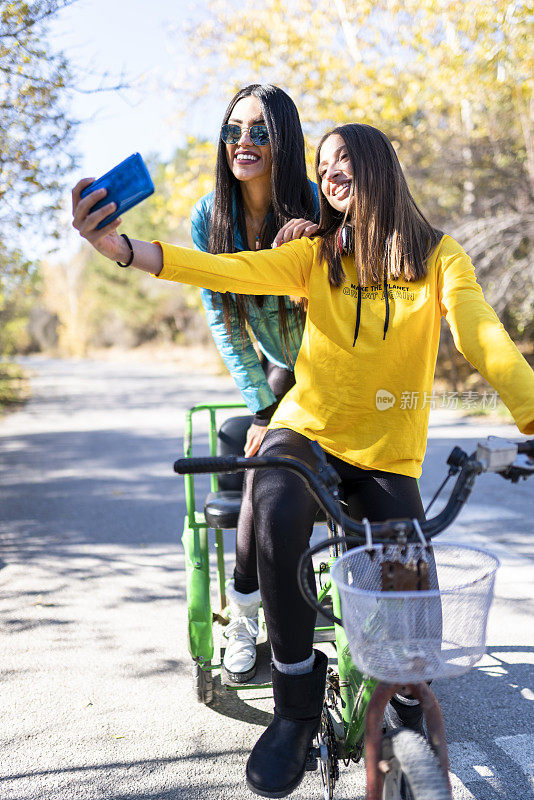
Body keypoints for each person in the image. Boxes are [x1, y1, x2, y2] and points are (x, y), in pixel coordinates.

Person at [72, 122, 534, 798]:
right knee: (274, 494)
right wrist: (123, 250)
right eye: (322, 165)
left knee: (414, 583)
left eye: (343, 158)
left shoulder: (440, 257)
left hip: (387, 456)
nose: (330, 172)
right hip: (308, 428)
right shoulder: (316, 255)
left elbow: (481, 333)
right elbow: (225, 269)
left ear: (379, 164)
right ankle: (293, 703)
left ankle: (405, 705)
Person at [190, 84, 319, 683]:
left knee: (287, 475)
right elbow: (223, 318)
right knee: (259, 461)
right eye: (234, 130)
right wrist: (263, 406)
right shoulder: (208, 217)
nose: (244, 142)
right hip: (276, 365)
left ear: (284, 141)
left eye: (261, 132)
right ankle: (244, 615)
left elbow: (343, 309)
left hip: (327, 364)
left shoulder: (318, 207)